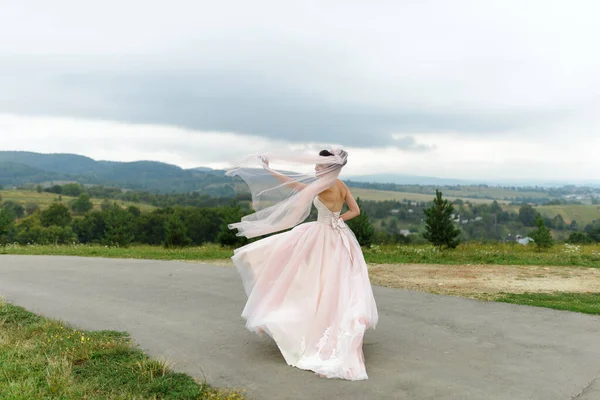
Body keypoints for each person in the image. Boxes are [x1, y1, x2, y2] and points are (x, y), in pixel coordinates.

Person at [226, 148, 378, 380]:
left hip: (321, 234)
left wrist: (270, 169)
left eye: (319, 165)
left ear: (327, 167)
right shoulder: (341, 185)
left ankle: (302, 325)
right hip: (340, 236)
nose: (315, 168)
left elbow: (293, 185)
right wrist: (338, 220)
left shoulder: (325, 185)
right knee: (332, 283)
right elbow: (355, 211)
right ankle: (325, 322)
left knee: (305, 277)